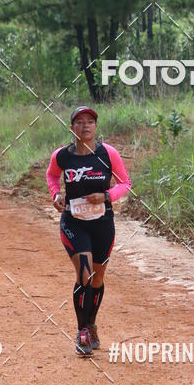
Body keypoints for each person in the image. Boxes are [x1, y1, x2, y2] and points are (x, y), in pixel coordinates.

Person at [46, 106, 131, 356]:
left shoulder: (108, 153)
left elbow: (125, 183)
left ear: (96, 127)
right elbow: (52, 176)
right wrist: (56, 194)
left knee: (97, 278)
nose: (85, 126)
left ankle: (91, 323)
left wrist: (106, 196)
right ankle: (82, 331)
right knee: (84, 274)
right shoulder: (62, 156)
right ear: (72, 127)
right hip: (74, 222)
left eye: (90, 122)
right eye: (80, 122)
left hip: (102, 223)